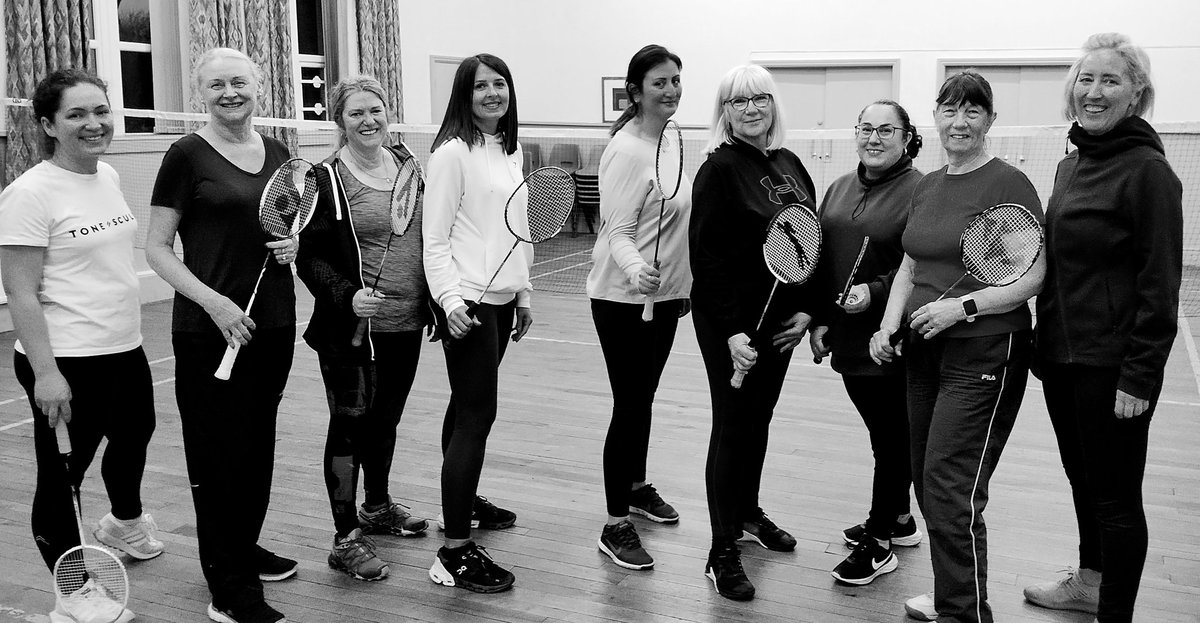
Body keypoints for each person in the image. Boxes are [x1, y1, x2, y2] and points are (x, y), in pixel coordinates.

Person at [868, 70, 1045, 623]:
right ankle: (956, 595)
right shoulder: (928, 184)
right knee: (926, 477)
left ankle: (963, 613)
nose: (959, 121)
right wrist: (887, 324)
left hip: (984, 349)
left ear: (989, 120)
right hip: (924, 351)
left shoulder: (1008, 184)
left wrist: (961, 308)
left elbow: (1034, 276)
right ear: (936, 118)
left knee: (951, 486)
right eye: (949, 110)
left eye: (972, 111)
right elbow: (910, 262)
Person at [1022, 34, 1182, 623]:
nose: (1094, 92)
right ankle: (1090, 582)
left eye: (1110, 81)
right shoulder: (1072, 163)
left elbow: (1159, 286)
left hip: (1113, 367)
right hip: (1062, 360)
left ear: (1136, 92)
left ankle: (1116, 612)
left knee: (1116, 499)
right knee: (1083, 482)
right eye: (1085, 80)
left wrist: (1139, 377)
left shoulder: (1149, 173)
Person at [0, 68, 162, 623]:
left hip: (124, 345)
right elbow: (20, 292)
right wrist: (46, 373)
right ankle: (71, 592)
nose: (93, 124)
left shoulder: (109, 174)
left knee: (137, 434)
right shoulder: (29, 193)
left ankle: (121, 523)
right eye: (76, 115)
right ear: (48, 124)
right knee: (61, 476)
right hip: (65, 358)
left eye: (100, 111)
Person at [145, 48, 297, 623]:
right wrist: (213, 302)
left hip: (272, 325)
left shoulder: (280, 153)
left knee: (257, 448)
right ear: (200, 94)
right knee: (217, 456)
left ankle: (242, 546)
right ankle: (227, 586)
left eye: (240, 82)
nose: (230, 92)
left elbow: (282, 228)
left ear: (259, 86)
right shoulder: (185, 155)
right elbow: (156, 247)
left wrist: (293, 247)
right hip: (210, 331)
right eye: (217, 85)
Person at [295, 75, 433, 583]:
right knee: (349, 426)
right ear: (340, 121)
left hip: (405, 320)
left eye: (375, 109)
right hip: (349, 331)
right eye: (356, 113)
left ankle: (377, 506)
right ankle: (344, 536)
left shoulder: (407, 166)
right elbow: (307, 256)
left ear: (387, 112)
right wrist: (345, 295)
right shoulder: (325, 177)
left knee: (386, 419)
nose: (368, 120)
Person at [689, 64, 814, 601]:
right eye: (738, 102)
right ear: (724, 112)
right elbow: (707, 259)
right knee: (733, 425)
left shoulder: (790, 164)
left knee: (758, 421)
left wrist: (808, 310)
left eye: (759, 98)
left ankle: (746, 512)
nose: (751, 108)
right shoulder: (717, 170)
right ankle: (722, 549)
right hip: (733, 326)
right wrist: (733, 333)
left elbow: (811, 241)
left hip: (781, 325)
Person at [422, 53, 529, 594]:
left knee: (464, 409)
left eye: (500, 84)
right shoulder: (451, 154)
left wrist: (525, 292)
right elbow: (434, 239)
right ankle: (455, 552)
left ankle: (458, 505)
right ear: (464, 95)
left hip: (504, 300)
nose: (492, 93)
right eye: (481, 86)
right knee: (476, 416)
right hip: (468, 303)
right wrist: (449, 301)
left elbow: (519, 229)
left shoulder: (510, 150)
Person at [809, 100, 925, 586]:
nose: (874, 138)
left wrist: (875, 292)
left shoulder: (921, 191)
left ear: (906, 138)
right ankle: (898, 518)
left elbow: (921, 262)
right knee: (886, 433)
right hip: (845, 336)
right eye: (866, 129)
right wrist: (818, 319)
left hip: (890, 337)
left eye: (886, 130)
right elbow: (814, 251)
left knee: (891, 438)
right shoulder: (838, 187)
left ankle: (878, 542)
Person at [587, 44, 693, 571]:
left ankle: (634, 485)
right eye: (659, 83)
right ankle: (614, 524)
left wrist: (682, 283)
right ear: (635, 92)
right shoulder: (626, 151)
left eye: (676, 79)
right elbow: (618, 230)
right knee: (629, 403)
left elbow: (675, 222)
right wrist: (635, 270)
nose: (671, 89)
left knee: (644, 397)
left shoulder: (673, 137)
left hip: (667, 295)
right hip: (622, 297)